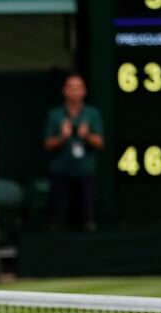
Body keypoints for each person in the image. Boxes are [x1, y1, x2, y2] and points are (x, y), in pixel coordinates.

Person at [43, 73, 104, 231]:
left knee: (87, 223)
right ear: (65, 91)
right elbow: (48, 144)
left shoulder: (92, 114)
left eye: (78, 88)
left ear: (84, 91)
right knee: (59, 222)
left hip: (85, 175)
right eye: (71, 88)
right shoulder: (55, 114)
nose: (75, 92)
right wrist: (63, 137)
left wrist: (87, 136)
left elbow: (100, 143)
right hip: (61, 175)